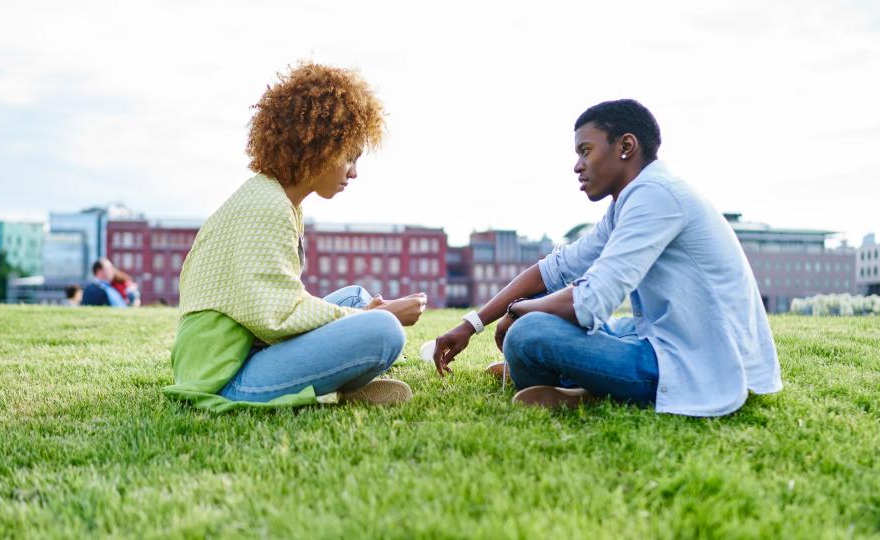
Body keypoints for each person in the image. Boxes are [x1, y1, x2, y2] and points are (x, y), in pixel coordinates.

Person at [433, 99, 782, 416]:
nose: (577, 166)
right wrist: (471, 325)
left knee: (529, 332)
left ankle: (586, 389)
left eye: (585, 151)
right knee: (538, 306)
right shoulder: (629, 202)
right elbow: (552, 270)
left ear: (626, 146)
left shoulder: (655, 196)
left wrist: (518, 312)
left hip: (701, 363)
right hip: (668, 336)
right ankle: (573, 380)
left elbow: (590, 301)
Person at [165, 63, 427, 412]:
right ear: (320, 146)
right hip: (224, 378)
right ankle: (333, 383)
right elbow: (280, 316)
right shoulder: (269, 207)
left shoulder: (271, 196)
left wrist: (360, 312)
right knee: (384, 331)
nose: (354, 172)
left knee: (355, 297)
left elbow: (270, 309)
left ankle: (334, 380)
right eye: (349, 157)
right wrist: (380, 316)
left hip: (244, 347)